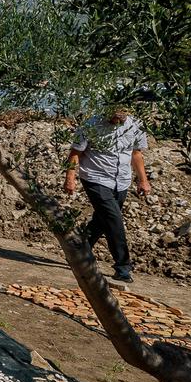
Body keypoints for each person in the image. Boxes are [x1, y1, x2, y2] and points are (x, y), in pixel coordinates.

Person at [64, 105, 151, 282]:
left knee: (101, 220)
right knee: (114, 219)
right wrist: (70, 178)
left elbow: (136, 154)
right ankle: (123, 267)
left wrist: (143, 180)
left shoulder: (136, 125)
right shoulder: (91, 125)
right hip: (95, 178)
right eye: (114, 115)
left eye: (121, 115)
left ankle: (78, 252)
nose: (117, 118)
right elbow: (75, 154)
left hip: (122, 181)